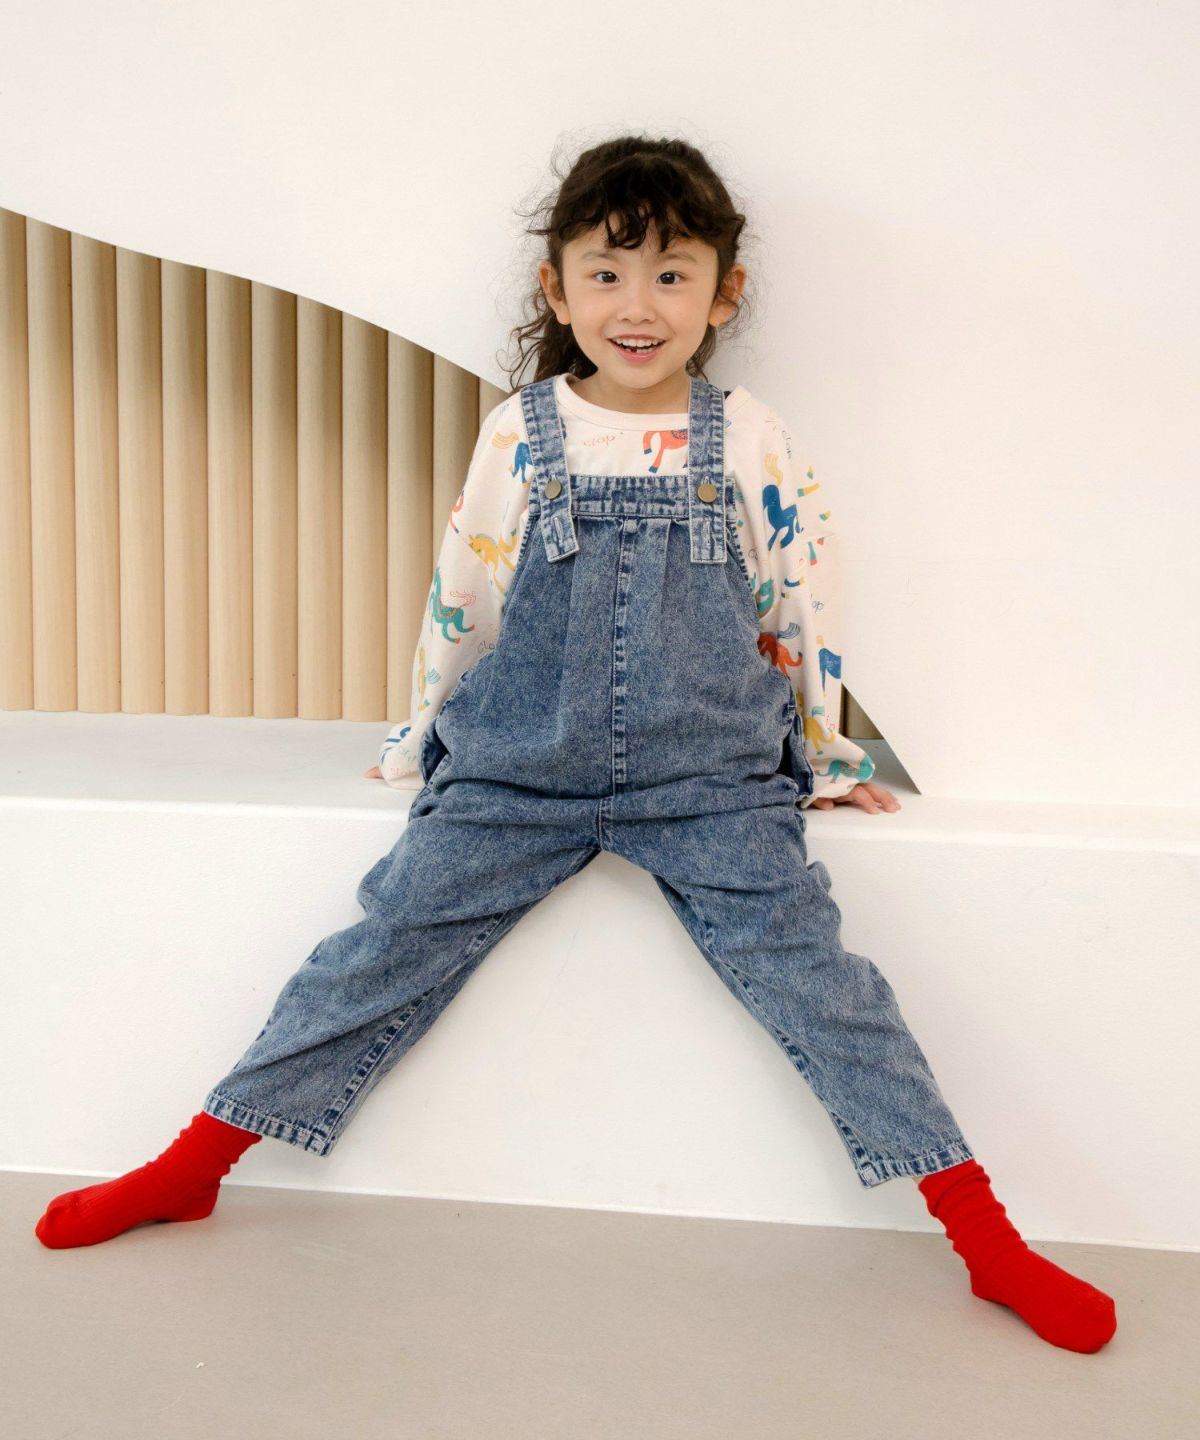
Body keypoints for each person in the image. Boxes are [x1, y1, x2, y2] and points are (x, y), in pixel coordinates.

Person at [34, 134, 1116, 1355]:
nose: (636, 306)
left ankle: (984, 1238)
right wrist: (421, 739)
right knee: (377, 947)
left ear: (723, 294)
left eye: (671, 275)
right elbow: (465, 592)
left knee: (827, 989)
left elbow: (799, 602)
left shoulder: (747, 436)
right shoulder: (523, 431)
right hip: (522, 768)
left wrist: (827, 758)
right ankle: (194, 1165)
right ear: (557, 290)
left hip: (710, 781)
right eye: (606, 274)